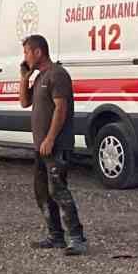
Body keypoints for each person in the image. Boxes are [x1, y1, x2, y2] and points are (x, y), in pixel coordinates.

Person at [18, 34, 87, 256]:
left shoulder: (57, 75)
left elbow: (61, 109)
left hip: (55, 145)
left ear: (38, 52)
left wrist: (50, 138)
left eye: (27, 52)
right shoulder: (39, 77)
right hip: (41, 146)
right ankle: (55, 236)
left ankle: (77, 238)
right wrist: (24, 77)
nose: (25, 57)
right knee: (42, 192)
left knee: (58, 189)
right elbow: (24, 102)